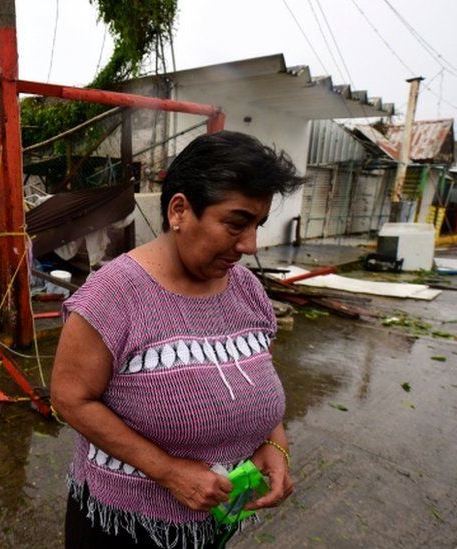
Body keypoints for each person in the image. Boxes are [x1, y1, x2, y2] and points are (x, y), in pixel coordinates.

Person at [51, 130, 303, 548]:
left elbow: (254, 379)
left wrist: (274, 443)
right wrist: (168, 472)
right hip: (124, 528)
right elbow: (70, 398)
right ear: (180, 210)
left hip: (214, 519)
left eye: (257, 225)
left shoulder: (247, 290)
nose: (250, 244)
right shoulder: (113, 295)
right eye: (236, 223)